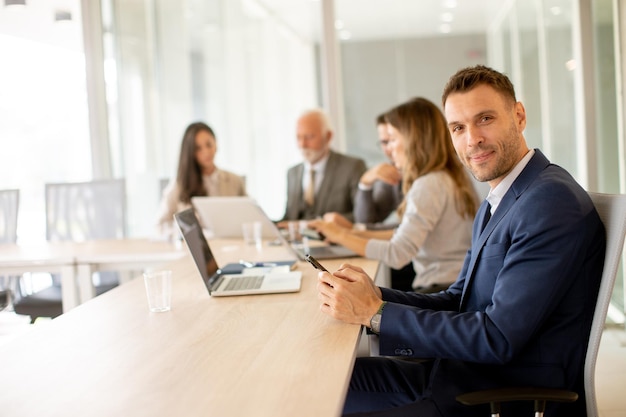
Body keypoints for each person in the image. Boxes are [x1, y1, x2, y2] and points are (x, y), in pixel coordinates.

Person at [316, 65, 606, 417]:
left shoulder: (548, 201)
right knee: (320, 379)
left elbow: (497, 337)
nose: (472, 139)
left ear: (519, 115)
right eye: (458, 127)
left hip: (501, 396)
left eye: (485, 119)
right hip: (459, 374)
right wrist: (375, 297)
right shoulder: (501, 199)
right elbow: (459, 299)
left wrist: (375, 314)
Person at [311, 97, 479, 293]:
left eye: (392, 139)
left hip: (441, 291)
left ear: (412, 140)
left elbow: (397, 253)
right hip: (456, 286)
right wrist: (351, 232)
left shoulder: (429, 184)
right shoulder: (448, 177)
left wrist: (339, 235)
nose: (388, 150)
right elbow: (402, 234)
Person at [156, 122, 246, 237]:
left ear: (216, 144)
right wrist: (184, 233)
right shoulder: (180, 185)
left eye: (209, 144)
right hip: (195, 251)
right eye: (198, 148)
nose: (206, 152)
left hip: (229, 246)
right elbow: (160, 225)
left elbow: (249, 219)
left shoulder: (234, 181)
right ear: (190, 152)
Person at [280, 108, 366, 222]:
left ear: (328, 136)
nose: (303, 144)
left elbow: (363, 216)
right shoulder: (292, 173)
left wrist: (324, 223)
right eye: (298, 137)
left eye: (309, 137)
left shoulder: (352, 167)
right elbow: (289, 218)